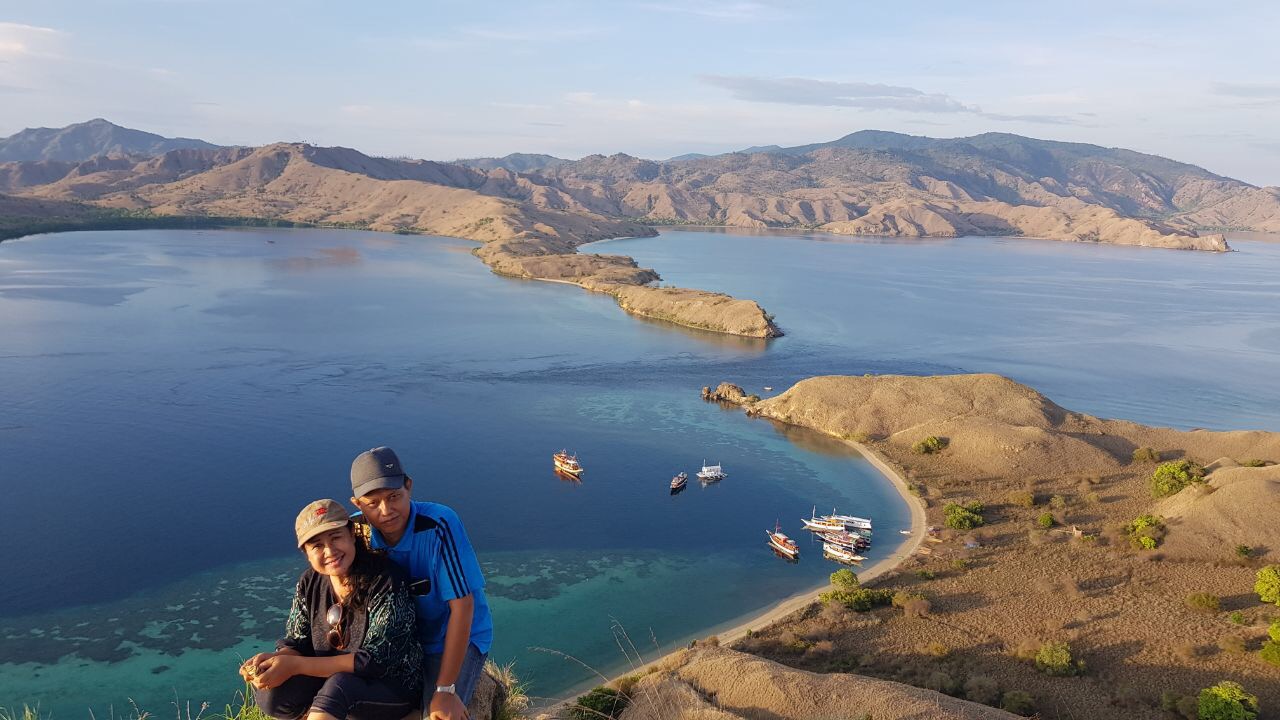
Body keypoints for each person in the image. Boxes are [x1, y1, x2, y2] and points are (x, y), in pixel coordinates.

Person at [241, 499, 423, 720]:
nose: (329, 551)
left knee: (340, 687)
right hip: (332, 681)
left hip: (391, 686)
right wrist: (275, 661)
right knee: (272, 696)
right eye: (317, 545)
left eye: (336, 537)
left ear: (352, 534)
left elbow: (375, 661)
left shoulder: (385, 580)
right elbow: (298, 641)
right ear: (306, 553)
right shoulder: (309, 582)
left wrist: (296, 665)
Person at [349, 447, 492, 720]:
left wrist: (446, 689)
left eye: (394, 497)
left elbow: (463, 606)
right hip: (399, 643)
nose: (386, 511)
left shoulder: (438, 525)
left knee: (438, 715)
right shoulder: (357, 536)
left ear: (409, 486)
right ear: (357, 504)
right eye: (373, 503)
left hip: (446, 638)